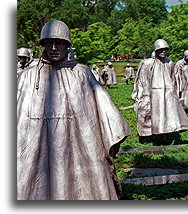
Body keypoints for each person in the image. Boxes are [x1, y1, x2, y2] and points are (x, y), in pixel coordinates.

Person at [17, 20, 131, 200]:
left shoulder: (82, 73)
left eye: (59, 42)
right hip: (37, 150)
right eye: (49, 42)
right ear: (43, 44)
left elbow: (105, 110)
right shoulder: (27, 77)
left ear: (67, 44)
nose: (54, 47)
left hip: (80, 148)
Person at [131, 39, 188, 137]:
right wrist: (141, 94)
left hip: (167, 92)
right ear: (156, 50)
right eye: (161, 49)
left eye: (165, 50)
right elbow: (142, 80)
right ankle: (148, 135)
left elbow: (173, 79)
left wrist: (175, 94)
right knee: (147, 113)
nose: (163, 52)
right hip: (152, 92)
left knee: (166, 114)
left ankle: (164, 134)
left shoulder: (169, 63)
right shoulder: (147, 63)